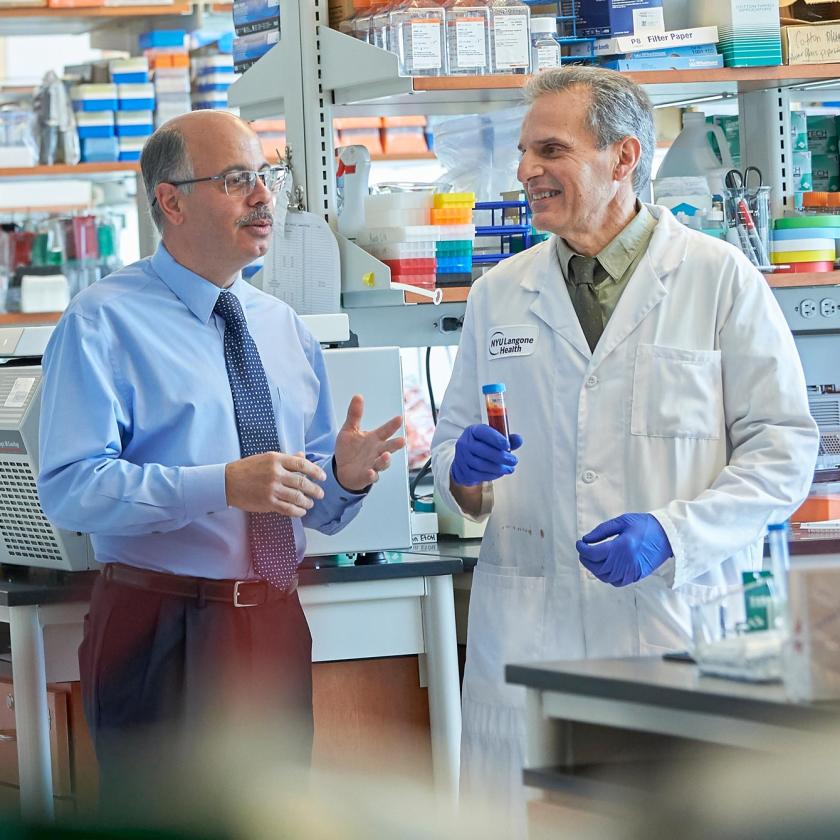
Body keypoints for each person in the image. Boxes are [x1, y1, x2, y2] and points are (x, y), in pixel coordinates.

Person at [431, 66, 819, 830]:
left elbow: (783, 451)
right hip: (531, 634)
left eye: (551, 149)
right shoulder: (499, 293)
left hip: (671, 625)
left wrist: (674, 533)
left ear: (624, 156)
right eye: (523, 151)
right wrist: (463, 474)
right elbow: (452, 451)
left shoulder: (718, 278)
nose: (526, 169)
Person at [37, 110, 405, 815]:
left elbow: (302, 497)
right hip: (156, 624)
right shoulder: (101, 321)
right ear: (170, 202)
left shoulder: (281, 326)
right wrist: (223, 486)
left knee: (274, 822)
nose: (263, 197)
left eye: (266, 176)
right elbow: (71, 489)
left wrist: (343, 478)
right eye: (237, 180)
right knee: (161, 824)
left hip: (272, 619)